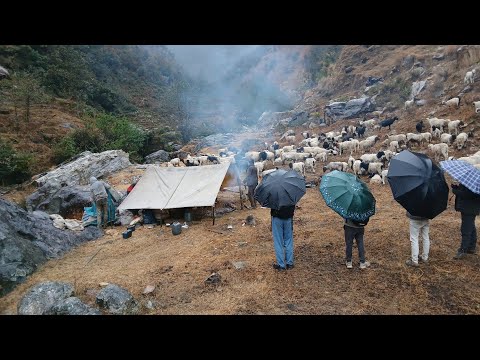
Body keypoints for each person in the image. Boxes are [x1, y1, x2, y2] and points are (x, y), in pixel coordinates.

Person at [451, 183, 480, 259]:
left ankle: (463, 250)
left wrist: (455, 191)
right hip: (470, 208)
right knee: (471, 226)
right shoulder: (471, 181)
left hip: (469, 208)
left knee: (466, 229)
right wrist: (457, 187)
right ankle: (471, 247)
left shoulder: (474, 183)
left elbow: (467, 194)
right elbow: (466, 190)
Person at [271, 205, 296, 270]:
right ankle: (289, 264)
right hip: (288, 217)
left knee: (278, 242)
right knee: (289, 241)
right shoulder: (291, 194)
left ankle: (281, 265)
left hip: (277, 218)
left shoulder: (274, 194)